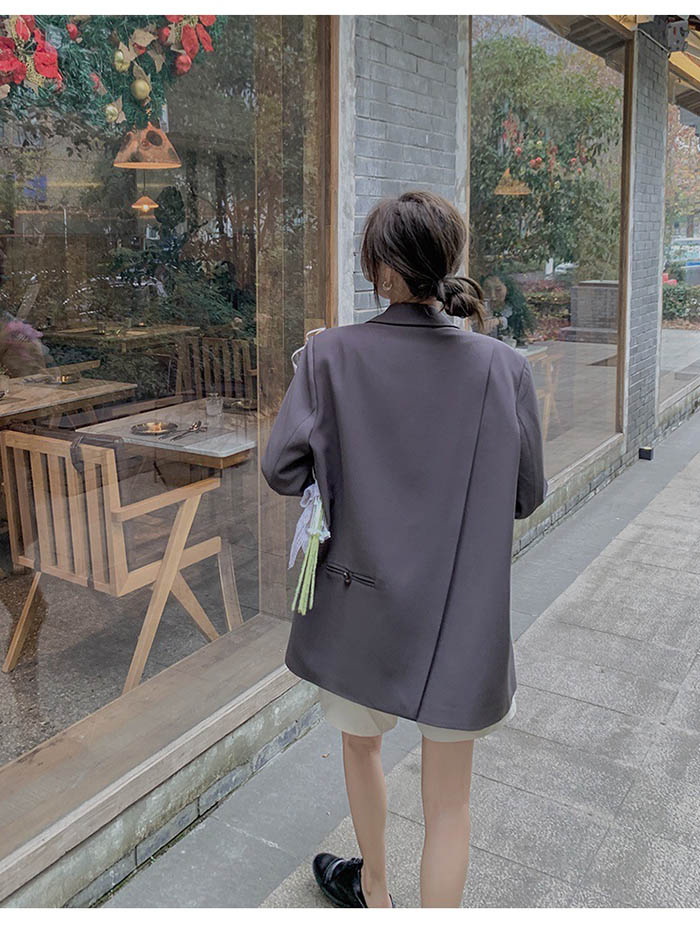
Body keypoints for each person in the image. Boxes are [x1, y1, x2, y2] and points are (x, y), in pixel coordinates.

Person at [261, 190, 547, 908]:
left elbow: (282, 469)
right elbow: (525, 494)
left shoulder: (327, 356)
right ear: (444, 262)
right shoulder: (504, 368)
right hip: (461, 615)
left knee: (361, 747)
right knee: (450, 804)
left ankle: (377, 895)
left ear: (379, 269)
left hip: (360, 606)